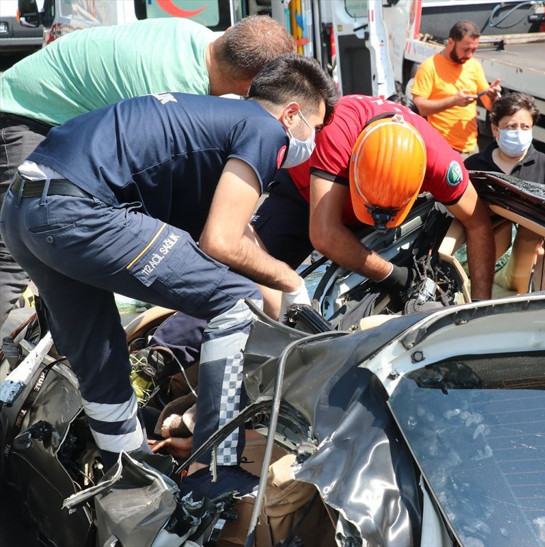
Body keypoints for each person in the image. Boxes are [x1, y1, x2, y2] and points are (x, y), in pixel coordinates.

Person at [0, 54, 338, 500]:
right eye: (313, 128)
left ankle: (128, 475)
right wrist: (293, 284)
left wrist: (280, 298)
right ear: (292, 113)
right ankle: (210, 471)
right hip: (75, 210)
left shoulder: (210, 119)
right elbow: (221, 243)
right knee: (235, 304)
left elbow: (243, 236)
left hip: (24, 206)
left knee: (99, 348)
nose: (309, 142)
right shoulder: (265, 128)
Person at [0, 15, 295, 327]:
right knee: (14, 255)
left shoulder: (195, 34)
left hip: (53, 108)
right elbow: (215, 220)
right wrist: (276, 292)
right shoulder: (178, 90)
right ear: (254, 85)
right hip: (26, 114)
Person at [283, 94, 496, 301]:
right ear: (353, 162)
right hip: (301, 191)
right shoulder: (336, 128)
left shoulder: (442, 165)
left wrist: (480, 304)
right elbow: (325, 235)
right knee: (262, 278)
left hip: (353, 212)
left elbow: (478, 223)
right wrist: (394, 276)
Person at [411, 20, 502, 156]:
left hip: (470, 148)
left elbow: (490, 105)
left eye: (473, 50)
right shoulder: (430, 67)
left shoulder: (473, 66)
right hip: (442, 149)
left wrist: (493, 95)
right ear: (451, 42)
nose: (470, 55)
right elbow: (419, 107)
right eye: (466, 49)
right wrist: (453, 101)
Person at [465, 92, 545, 186]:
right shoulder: (473, 166)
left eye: (525, 127)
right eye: (511, 126)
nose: (518, 133)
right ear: (495, 129)